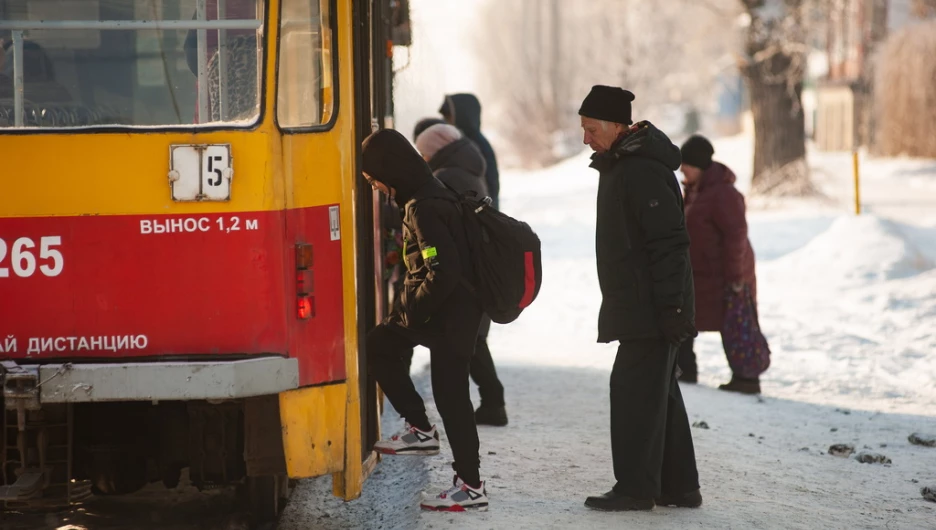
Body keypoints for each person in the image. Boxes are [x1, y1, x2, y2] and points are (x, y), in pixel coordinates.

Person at [578, 85, 701, 511]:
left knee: (632, 392)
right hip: (643, 303)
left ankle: (635, 488)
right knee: (658, 393)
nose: (585, 138)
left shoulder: (640, 170)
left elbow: (669, 243)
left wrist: (673, 309)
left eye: (592, 129)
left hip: (651, 307)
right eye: (583, 128)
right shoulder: (622, 165)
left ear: (617, 126)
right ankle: (679, 487)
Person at [362, 129, 489, 512]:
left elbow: (441, 268)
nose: (377, 186)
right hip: (457, 310)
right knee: (450, 395)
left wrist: (411, 313)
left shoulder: (424, 206)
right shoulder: (428, 194)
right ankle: (460, 471)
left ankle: (458, 472)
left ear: (390, 169)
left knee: (382, 347)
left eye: (374, 179)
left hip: (451, 312)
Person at [415, 123, 509, 426]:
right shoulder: (467, 167)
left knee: (470, 341)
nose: (422, 158)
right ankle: (493, 403)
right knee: (475, 340)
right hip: (476, 266)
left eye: (423, 152)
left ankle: (492, 404)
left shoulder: (447, 177)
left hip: (465, 273)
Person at [677, 135, 763, 394]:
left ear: (700, 166)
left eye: (687, 165)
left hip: (724, 274)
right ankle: (684, 370)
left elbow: (736, 236)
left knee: (735, 323)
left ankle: (746, 378)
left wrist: (736, 277)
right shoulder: (695, 191)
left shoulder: (723, 194)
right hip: (701, 275)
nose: (682, 170)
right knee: (684, 320)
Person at [438, 93, 500, 210]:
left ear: (462, 115)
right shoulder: (465, 141)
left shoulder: (472, 144)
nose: (445, 121)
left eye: (448, 116)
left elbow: (491, 185)